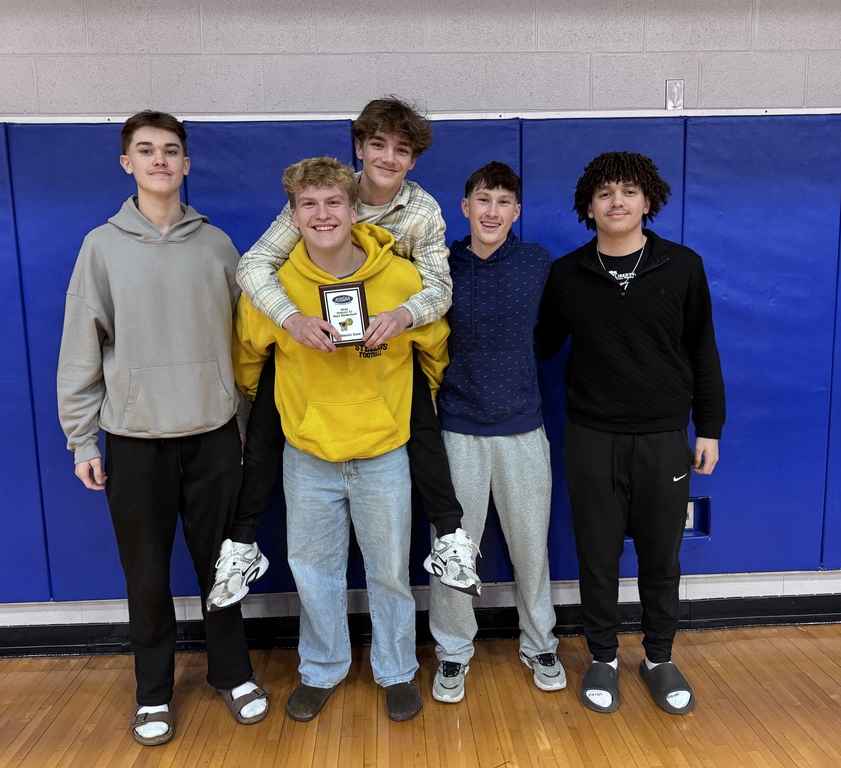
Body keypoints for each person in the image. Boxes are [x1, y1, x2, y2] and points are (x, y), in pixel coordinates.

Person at [206, 97, 479, 612]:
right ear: (360, 148)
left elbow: (439, 289)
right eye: (378, 145)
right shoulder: (326, 195)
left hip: (387, 347)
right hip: (313, 341)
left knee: (419, 410)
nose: (388, 158)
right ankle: (241, 545)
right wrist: (291, 318)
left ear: (414, 159)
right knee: (270, 413)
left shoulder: (421, 211)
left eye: (402, 150)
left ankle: (450, 534)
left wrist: (400, 316)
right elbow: (255, 266)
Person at [56, 111, 267, 747]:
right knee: (145, 575)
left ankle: (231, 674)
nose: (158, 160)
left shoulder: (218, 245)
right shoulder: (102, 245)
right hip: (134, 439)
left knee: (222, 570)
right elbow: (80, 347)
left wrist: (248, 430)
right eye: (145, 151)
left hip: (212, 435)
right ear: (128, 164)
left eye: (170, 151)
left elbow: (246, 347)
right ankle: (153, 692)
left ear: (186, 164)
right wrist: (81, 438)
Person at [232, 157, 449, 723]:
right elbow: (249, 363)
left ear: (355, 210)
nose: (322, 214)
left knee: (389, 571)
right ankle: (322, 668)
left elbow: (435, 354)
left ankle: (397, 669)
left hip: (383, 454)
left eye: (333, 203)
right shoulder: (274, 287)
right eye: (310, 205)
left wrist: (393, 400)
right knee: (314, 570)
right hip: (308, 457)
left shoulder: (401, 280)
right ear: (294, 215)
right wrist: (296, 412)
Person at [538, 151, 725, 716]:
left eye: (627, 192)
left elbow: (703, 351)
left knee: (660, 555)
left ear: (648, 201)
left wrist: (709, 428)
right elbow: (537, 346)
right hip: (592, 436)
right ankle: (601, 656)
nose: (616, 202)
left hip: (664, 436)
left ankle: (659, 656)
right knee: (596, 554)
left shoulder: (683, 266)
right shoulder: (568, 274)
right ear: (588, 208)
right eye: (604, 194)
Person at [429, 162, 564, 704]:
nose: (492, 211)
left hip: (522, 427)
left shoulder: (536, 263)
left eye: (504, 201)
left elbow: (550, 336)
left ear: (516, 212)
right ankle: (453, 651)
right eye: (483, 200)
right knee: (453, 549)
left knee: (531, 545)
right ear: (465, 207)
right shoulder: (439, 265)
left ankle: (540, 641)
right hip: (456, 427)